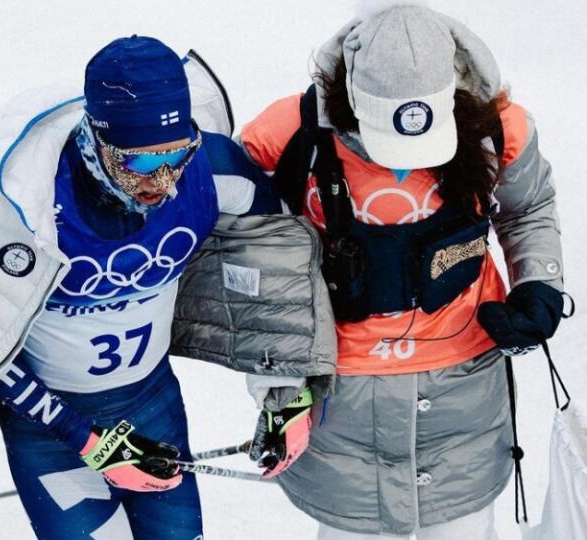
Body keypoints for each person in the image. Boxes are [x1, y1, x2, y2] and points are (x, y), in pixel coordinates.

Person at [0, 36, 286, 540]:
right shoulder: (21, 211)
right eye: (142, 163)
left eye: (178, 155)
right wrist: (84, 439)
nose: (165, 183)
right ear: (97, 140)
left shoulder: (215, 170)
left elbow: (278, 272)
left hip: (152, 403)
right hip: (52, 428)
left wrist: (286, 394)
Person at [239, 5, 566, 539]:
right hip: (339, 393)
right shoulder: (285, 135)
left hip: (464, 388)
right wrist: (279, 387)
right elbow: (252, 259)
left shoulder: (497, 128)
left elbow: (528, 207)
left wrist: (538, 283)